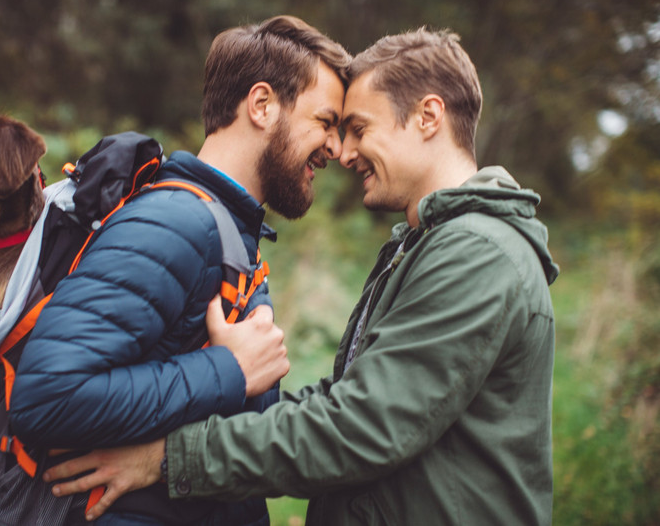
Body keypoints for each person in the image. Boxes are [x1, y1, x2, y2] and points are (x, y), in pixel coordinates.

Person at [43, 28, 560, 525]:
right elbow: (351, 406)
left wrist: (169, 457)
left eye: (358, 128)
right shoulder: (423, 244)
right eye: (336, 126)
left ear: (428, 117)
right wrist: (227, 375)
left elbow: (362, 426)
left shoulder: (475, 252)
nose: (344, 151)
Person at [8, 15, 350, 525]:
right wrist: (229, 371)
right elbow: (46, 398)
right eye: (326, 122)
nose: (337, 149)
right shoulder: (174, 223)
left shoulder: (222, 227)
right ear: (262, 105)